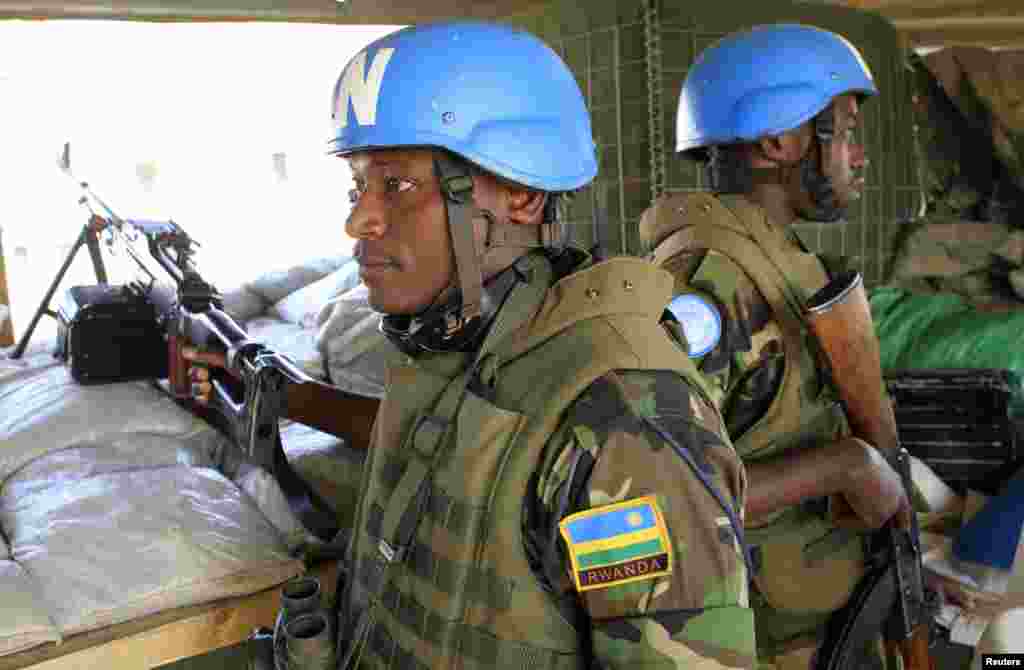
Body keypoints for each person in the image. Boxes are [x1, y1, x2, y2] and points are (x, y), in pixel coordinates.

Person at [186, 20, 754, 670]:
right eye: (356, 187)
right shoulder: (451, 349)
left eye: (395, 185)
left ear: (520, 194)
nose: (357, 220)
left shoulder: (624, 418)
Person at [639, 24, 910, 669]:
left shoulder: (776, 258)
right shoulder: (710, 284)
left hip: (820, 607)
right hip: (765, 640)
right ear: (780, 141)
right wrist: (843, 466)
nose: (859, 155)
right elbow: (646, 496)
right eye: (844, 131)